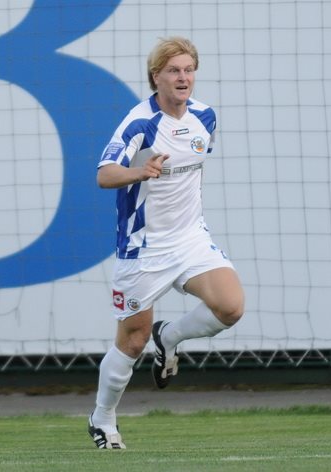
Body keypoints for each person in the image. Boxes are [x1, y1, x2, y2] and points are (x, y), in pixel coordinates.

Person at [87, 36, 245, 450]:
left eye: (189, 70)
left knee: (230, 307)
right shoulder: (139, 124)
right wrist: (139, 172)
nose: (183, 77)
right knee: (132, 341)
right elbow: (104, 174)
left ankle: (169, 337)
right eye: (174, 70)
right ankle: (103, 419)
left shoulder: (205, 117)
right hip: (144, 248)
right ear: (156, 76)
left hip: (190, 238)